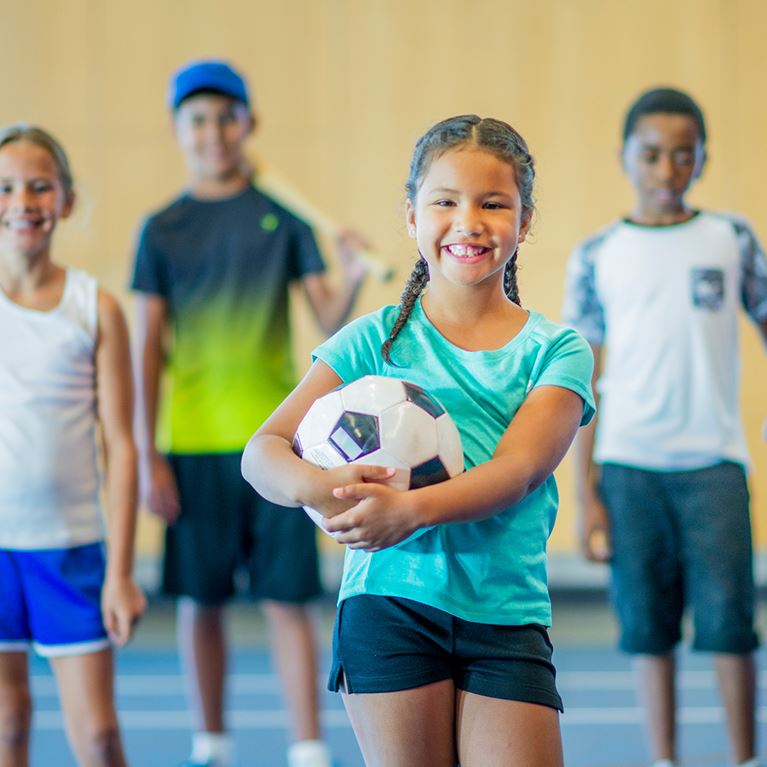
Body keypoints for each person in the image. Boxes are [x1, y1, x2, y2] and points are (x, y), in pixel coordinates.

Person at [241, 114, 596, 767]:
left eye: (493, 203)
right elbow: (263, 450)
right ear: (411, 217)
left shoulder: (556, 349)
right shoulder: (369, 342)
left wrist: (408, 510)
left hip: (504, 611)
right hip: (389, 605)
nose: (468, 221)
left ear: (524, 221)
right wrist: (324, 489)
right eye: (445, 201)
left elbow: (516, 470)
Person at [131, 59, 368, 767]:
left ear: (248, 125)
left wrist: (351, 272)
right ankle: (211, 742)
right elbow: (147, 347)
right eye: (197, 120)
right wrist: (147, 455)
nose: (212, 133)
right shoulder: (162, 229)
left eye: (225, 118)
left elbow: (326, 314)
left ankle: (306, 744)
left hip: (280, 446)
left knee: (287, 598)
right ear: (179, 130)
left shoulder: (285, 220)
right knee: (201, 602)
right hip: (195, 445)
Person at [563, 87, 767, 767]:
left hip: (713, 463)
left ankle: (742, 757)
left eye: (683, 155)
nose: (665, 169)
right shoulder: (596, 254)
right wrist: (585, 490)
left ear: (701, 160)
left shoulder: (730, 238)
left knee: (729, 627)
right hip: (628, 467)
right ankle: (664, 759)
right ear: (625, 157)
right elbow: (578, 384)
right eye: (650, 154)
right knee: (647, 632)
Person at [0, 124, 146, 767]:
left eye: (39, 186)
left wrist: (120, 572)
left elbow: (122, 443)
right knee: (6, 725)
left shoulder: (95, 307)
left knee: (98, 738)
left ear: (66, 200)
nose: (22, 202)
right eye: (5, 187)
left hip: (71, 550)